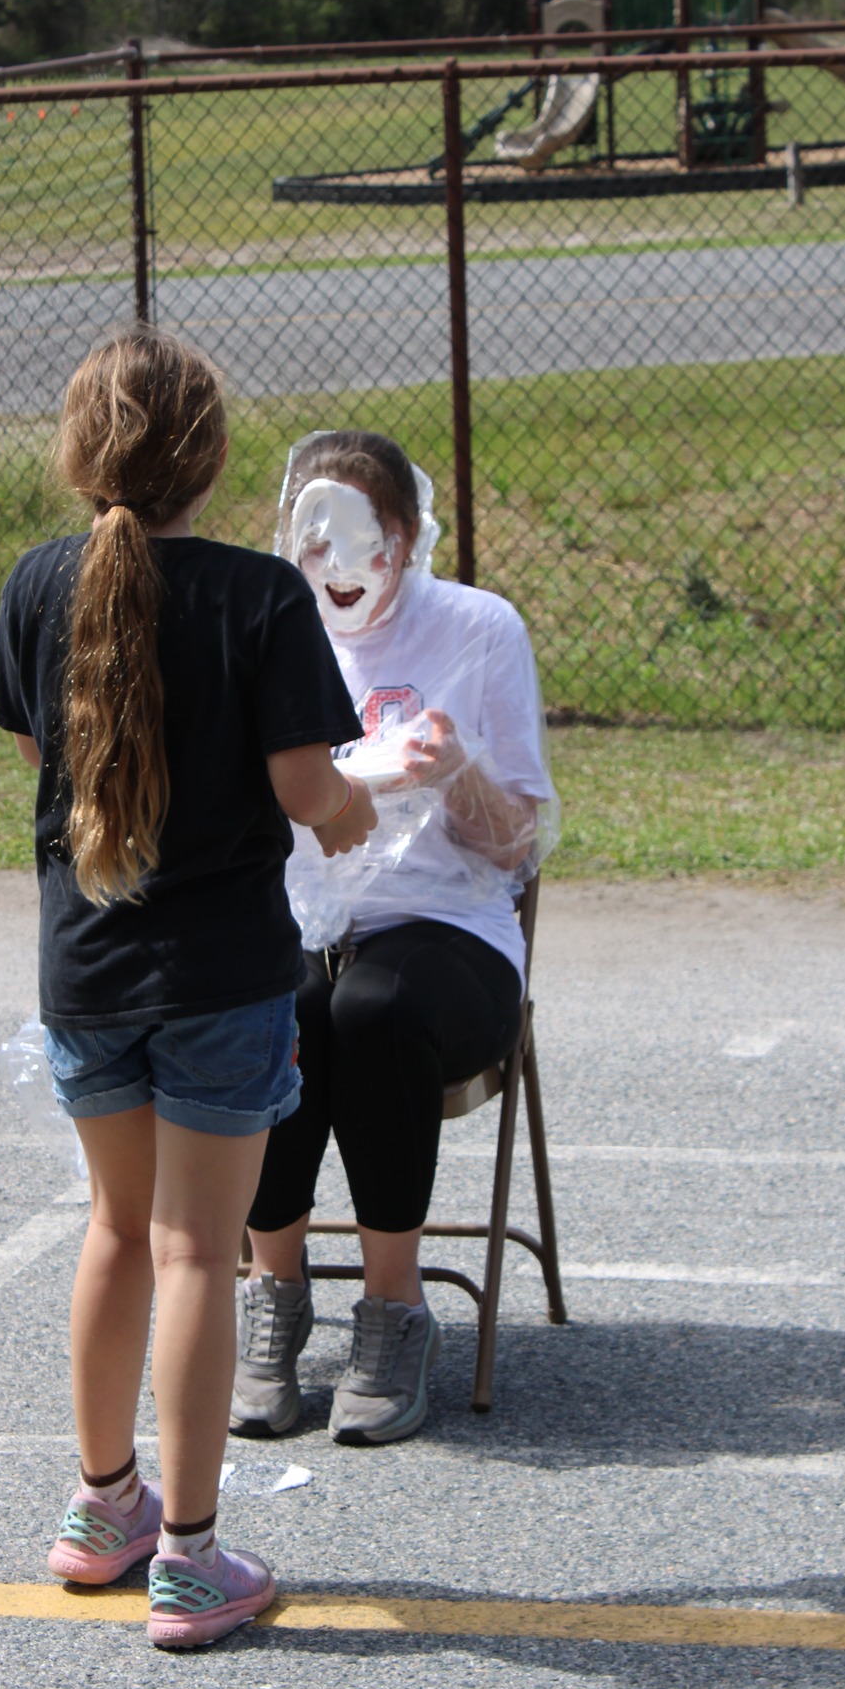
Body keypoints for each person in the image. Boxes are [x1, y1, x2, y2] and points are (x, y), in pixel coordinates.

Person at [0, 331, 374, 1648]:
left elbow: (52, 759)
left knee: (114, 1230)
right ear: (210, 459)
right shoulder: (262, 598)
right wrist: (352, 812)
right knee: (197, 1251)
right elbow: (306, 789)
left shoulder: (38, 584)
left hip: (86, 967)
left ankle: (106, 1509)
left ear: (79, 453)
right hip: (219, 976)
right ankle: (194, 1556)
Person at [230, 430, 558, 1448]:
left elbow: (519, 844)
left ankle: (392, 1313)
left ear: (409, 538)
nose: (335, 565)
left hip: (446, 932)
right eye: (310, 539)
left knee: (368, 1007)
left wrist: (455, 769)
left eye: (361, 538)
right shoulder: (266, 626)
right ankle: (272, 1301)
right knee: (278, 1006)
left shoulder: (477, 627)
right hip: (294, 928)